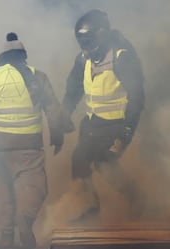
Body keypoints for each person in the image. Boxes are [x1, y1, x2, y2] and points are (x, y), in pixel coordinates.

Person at [0, 33, 65, 249]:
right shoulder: (38, 77)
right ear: (23, 55)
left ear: (1, 57)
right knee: (36, 188)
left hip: (0, 148)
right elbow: (53, 109)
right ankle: (25, 220)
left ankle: (6, 237)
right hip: (30, 148)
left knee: (4, 190)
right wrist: (57, 134)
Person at [61, 9, 145, 222]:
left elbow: (137, 97)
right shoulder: (83, 59)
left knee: (104, 161)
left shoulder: (122, 56)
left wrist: (126, 133)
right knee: (79, 161)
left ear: (102, 34)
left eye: (89, 41)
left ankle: (136, 197)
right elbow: (73, 90)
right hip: (93, 123)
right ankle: (89, 209)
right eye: (82, 42)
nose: (86, 48)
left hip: (118, 124)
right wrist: (65, 113)